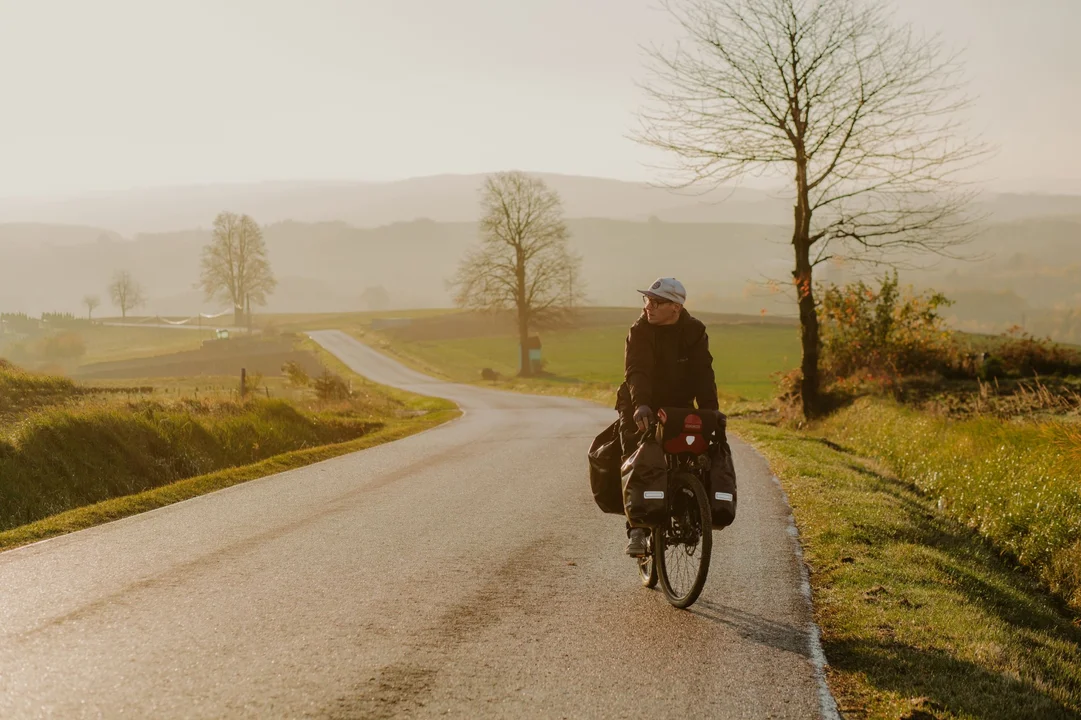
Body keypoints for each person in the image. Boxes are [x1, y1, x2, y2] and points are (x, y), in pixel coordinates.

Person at [616, 277, 719, 557]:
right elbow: (637, 371)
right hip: (639, 400)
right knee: (636, 451)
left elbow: (703, 374)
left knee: (692, 449)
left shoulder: (694, 331)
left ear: (675, 307)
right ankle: (636, 527)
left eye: (656, 302)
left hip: (678, 401)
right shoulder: (639, 330)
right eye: (647, 300)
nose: (648, 306)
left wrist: (712, 412)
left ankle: (686, 506)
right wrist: (641, 405)